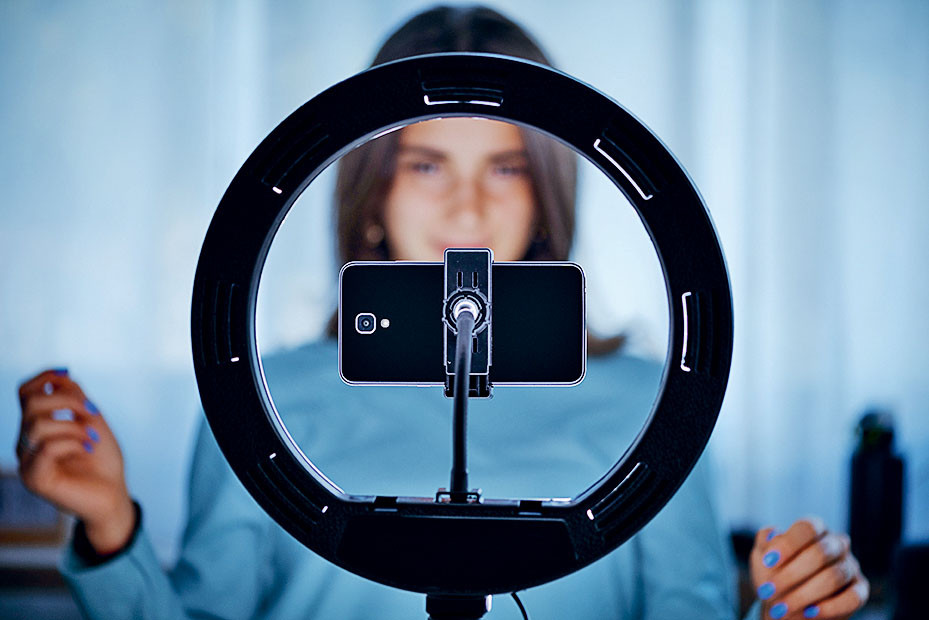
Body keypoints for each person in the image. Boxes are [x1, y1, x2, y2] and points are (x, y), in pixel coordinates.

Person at [15, 6, 868, 620]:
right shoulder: (264, 398)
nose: (466, 206)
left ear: (548, 189)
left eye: (505, 168)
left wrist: (789, 604)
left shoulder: (653, 402)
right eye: (426, 165)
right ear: (373, 187)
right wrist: (109, 523)